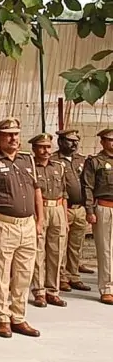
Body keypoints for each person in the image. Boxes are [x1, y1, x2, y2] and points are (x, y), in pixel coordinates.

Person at [0, 117, 43, 338]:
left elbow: (36, 191)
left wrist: (39, 220)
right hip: (3, 224)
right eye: (8, 134)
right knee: (1, 273)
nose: (14, 138)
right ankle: (2, 318)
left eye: (16, 134)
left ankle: (19, 317)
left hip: (27, 225)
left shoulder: (27, 161)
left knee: (24, 273)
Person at [28, 133, 68, 308]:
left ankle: (53, 290)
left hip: (58, 208)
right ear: (34, 149)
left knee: (56, 251)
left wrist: (65, 218)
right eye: (42, 147)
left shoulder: (59, 166)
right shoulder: (30, 167)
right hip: (40, 208)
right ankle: (39, 291)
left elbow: (64, 193)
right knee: (38, 251)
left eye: (48, 147)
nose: (46, 151)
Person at [52, 129, 91, 292]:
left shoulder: (81, 160)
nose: (74, 144)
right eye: (69, 140)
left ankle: (73, 275)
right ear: (60, 142)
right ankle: (61, 277)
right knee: (60, 244)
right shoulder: (54, 160)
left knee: (76, 245)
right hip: (63, 208)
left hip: (80, 208)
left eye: (76, 141)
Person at [83, 128, 113, 306]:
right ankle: (107, 288)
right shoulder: (95, 161)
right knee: (105, 249)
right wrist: (89, 210)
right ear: (102, 142)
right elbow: (88, 186)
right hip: (104, 206)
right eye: (109, 140)